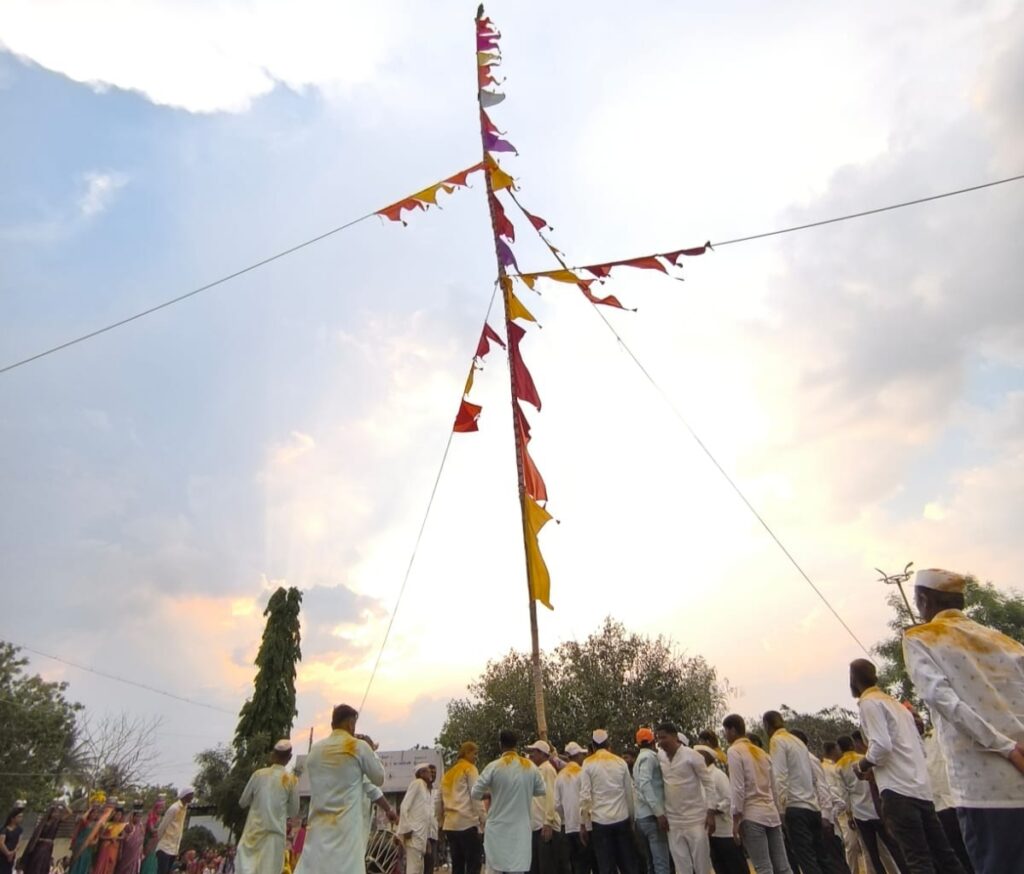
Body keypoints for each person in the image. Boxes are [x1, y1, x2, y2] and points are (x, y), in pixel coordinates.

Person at [903, 568, 1024, 874]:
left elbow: (945, 701)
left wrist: (1006, 747)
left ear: (922, 599)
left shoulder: (920, 638)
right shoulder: (1006, 642)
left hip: (984, 791)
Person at [849, 658, 965, 874]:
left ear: (853, 680)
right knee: (945, 855)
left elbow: (881, 746)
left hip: (897, 792)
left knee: (918, 860)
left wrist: (862, 765)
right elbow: (919, 750)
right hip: (921, 789)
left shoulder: (869, 703)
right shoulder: (897, 706)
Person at [294, 704, 385, 874]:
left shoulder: (315, 750)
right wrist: (371, 751)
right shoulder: (358, 746)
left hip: (319, 825)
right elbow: (379, 778)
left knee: (316, 866)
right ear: (351, 725)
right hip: (346, 827)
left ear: (332, 725)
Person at [722, 714, 792, 874]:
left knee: (763, 867)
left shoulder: (734, 751)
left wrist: (735, 820)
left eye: (725, 731)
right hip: (771, 814)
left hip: (751, 815)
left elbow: (738, 788)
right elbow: (774, 787)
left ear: (732, 730)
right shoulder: (762, 752)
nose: (725, 735)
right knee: (783, 866)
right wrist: (779, 811)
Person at [471, 729, 546, 874]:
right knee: (517, 869)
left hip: (497, 829)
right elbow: (541, 790)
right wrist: (525, 791)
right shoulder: (529, 766)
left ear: (500, 745)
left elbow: (475, 792)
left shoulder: (493, 767)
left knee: (494, 869)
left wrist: (491, 793)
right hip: (520, 830)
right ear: (516, 744)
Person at [763, 711, 828, 874]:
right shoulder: (798, 742)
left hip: (795, 807)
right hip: (813, 807)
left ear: (767, 726)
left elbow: (780, 777)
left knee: (806, 860)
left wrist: (782, 809)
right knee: (821, 859)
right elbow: (813, 778)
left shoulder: (777, 740)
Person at [909, 711, 973, 873]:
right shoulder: (908, 752)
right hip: (936, 811)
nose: (916, 721)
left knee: (970, 852)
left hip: (957, 803)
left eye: (916, 716)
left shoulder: (937, 736)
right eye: (911, 719)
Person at [655, 723, 715, 874]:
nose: (660, 742)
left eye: (664, 737)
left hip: (695, 819)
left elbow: (708, 784)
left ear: (675, 737)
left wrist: (711, 812)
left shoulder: (692, 756)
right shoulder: (660, 757)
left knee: (702, 865)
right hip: (673, 821)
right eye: (658, 738)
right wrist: (660, 813)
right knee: (682, 867)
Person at [236, 739, 301, 874]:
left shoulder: (258, 775)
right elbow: (294, 811)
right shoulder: (291, 780)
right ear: (289, 758)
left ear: (273, 755)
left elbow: (243, 802)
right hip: (275, 837)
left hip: (253, 835)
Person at [579, 729, 637, 874]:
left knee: (606, 866)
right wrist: (631, 818)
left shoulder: (588, 763)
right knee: (628, 864)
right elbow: (629, 793)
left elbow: (585, 796)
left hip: (600, 822)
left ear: (593, 746)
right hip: (622, 819)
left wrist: (584, 824)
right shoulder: (620, 762)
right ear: (608, 743)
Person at [442, 742, 485, 874]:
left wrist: (439, 821)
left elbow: (438, 800)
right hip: (466, 823)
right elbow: (475, 795)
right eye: (474, 753)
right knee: (474, 864)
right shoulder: (470, 769)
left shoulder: (448, 773)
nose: (476, 757)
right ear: (466, 753)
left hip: (450, 826)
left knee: (457, 865)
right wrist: (484, 819)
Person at [632, 729, 669, 874]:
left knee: (651, 865)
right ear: (653, 742)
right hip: (652, 818)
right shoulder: (650, 758)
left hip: (641, 818)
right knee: (661, 865)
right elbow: (645, 784)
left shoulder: (638, 760)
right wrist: (659, 812)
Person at [555, 742, 592, 874]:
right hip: (584, 826)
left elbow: (557, 804)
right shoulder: (582, 773)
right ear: (577, 756)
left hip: (568, 827)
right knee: (586, 864)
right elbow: (587, 799)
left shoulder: (559, 776)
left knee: (574, 864)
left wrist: (565, 818)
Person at [524, 740, 560, 874]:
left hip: (544, 827)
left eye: (534, 752)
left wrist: (548, 822)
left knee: (546, 867)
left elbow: (551, 796)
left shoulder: (547, 770)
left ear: (541, 753)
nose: (532, 755)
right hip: (536, 826)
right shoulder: (537, 770)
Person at [399, 763, 435, 874]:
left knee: (419, 869)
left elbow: (427, 817)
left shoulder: (426, 789)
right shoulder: (417, 783)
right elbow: (404, 806)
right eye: (428, 771)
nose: (431, 774)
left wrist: (427, 838)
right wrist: (406, 829)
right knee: (413, 870)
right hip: (413, 835)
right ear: (421, 773)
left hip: (422, 837)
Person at [20, 801, 68, 874]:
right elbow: (36, 836)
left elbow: (70, 813)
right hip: (40, 846)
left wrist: (63, 805)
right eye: (55, 812)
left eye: (57, 812)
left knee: (44, 865)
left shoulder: (57, 822)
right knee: (37, 863)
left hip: (48, 847)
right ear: (50, 813)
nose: (56, 814)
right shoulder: (43, 823)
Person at [155, 788, 193, 874]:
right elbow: (163, 826)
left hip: (174, 848)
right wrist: (162, 839)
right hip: (165, 847)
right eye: (191, 795)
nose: (192, 797)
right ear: (185, 795)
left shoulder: (185, 808)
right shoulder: (174, 808)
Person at [94, 804, 127, 874]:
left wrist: (117, 838)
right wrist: (110, 838)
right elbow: (101, 836)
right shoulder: (107, 824)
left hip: (114, 848)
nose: (117, 816)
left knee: (111, 865)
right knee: (102, 865)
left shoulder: (121, 826)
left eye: (119, 815)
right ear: (113, 815)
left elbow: (123, 837)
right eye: (116, 814)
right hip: (105, 847)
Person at [114, 803, 147, 874]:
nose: (138, 818)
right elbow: (122, 838)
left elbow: (142, 839)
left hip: (136, 853)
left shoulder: (141, 826)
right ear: (133, 816)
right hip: (127, 853)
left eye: (140, 817)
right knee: (124, 868)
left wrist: (141, 852)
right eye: (137, 816)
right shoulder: (128, 826)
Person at [139, 799, 165, 874]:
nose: (161, 810)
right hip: (150, 842)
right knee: (149, 860)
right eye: (160, 808)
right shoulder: (151, 816)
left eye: (163, 808)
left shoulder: (162, 818)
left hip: (158, 843)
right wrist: (161, 829)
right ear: (156, 808)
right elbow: (151, 829)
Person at [0, 807, 24, 874]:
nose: (21, 818)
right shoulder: (4, 829)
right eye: (19, 817)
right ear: (12, 818)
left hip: (12, 856)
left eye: (21, 817)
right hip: (2, 856)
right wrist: (7, 853)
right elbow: (1, 843)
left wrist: (13, 853)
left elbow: (19, 843)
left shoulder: (20, 830)